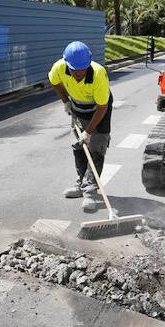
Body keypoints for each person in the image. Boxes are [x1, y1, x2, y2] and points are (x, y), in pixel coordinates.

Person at [49, 41, 113, 212]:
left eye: (83, 69)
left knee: (96, 149)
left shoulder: (98, 73)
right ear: (66, 63)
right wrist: (65, 101)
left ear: (89, 63)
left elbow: (102, 107)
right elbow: (54, 82)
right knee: (79, 147)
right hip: (77, 105)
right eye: (74, 70)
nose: (79, 73)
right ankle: (81, 184)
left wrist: (89, 131)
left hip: (99, 109)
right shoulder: (59, 67)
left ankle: (90, 191)